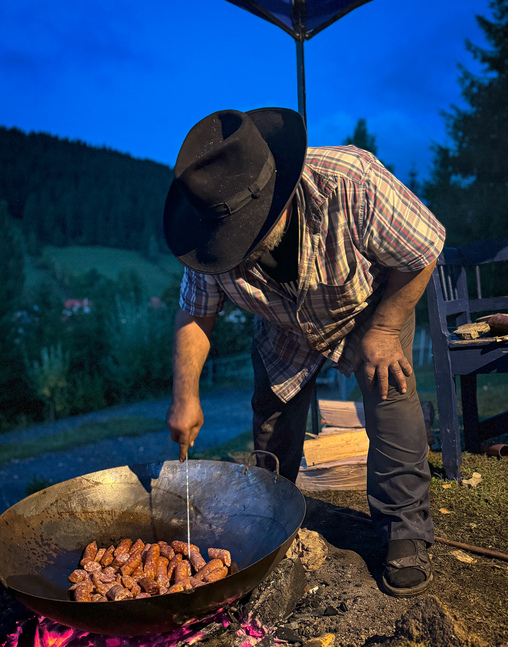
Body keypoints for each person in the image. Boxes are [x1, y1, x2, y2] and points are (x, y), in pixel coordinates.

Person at [163, 108, 445, 598]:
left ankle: (405, 528)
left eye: (245, 235)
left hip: (368, 305)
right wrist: (184, 397)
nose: (235, 250)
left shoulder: (351, 182)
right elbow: (195, 316)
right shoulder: (206, 235)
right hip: (283, 327)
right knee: (272, 415)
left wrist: (384, 328)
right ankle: (273, 517)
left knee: (390, 394)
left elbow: (424, 251)